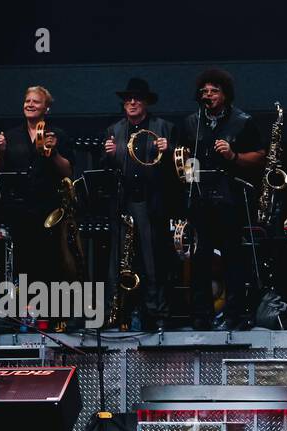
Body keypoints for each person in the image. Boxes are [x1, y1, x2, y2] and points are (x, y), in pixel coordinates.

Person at [179, 68, 264, 330]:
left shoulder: (242, 121)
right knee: (200, 258)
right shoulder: (191, 122)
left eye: (214, 90)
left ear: (225, 94)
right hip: (199, 198)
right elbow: (181, 155)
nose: (208, 95)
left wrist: (233, 156)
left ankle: (234, 314)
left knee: (232, 257)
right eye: (204, 91)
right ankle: (201, 315)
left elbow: (260, 156)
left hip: (230, 198)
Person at [0, 86, 77, 304]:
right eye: (27, 101)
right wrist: (0, 151)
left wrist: (54, 152)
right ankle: (28, 311)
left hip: (50, 209)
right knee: (24, 261)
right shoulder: (10, 136)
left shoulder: (58, 135)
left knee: (50, 260)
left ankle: (53, 311)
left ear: (46, 108)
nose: (29, 104)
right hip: (20, 210)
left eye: (36, 102)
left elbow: (68, 171)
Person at [103, 78, 177, 331]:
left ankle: (157, 314)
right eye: (128, 99)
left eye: (137, 98)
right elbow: (106, 170)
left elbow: (181, 168)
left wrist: (169, 150)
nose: (132, 102)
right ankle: (118, 312)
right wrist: (108, 155)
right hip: (123, 202)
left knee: (152, 261)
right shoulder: (115, 130)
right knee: (119, 262)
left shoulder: (163, 127)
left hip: (150, 202)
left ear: (145, 102)